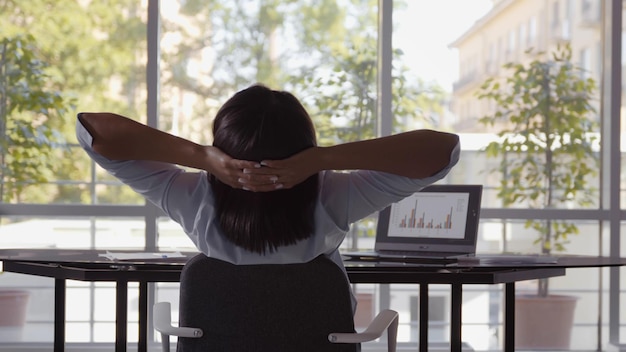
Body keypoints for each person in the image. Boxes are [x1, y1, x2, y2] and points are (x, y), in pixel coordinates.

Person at [76, 83, 460, 310]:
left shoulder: (191, 199)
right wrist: (323, 159)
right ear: (304, 146)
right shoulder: (336, 197)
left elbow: (91, 132)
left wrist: (201, 157)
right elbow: (444, 152)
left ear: (223, 146)